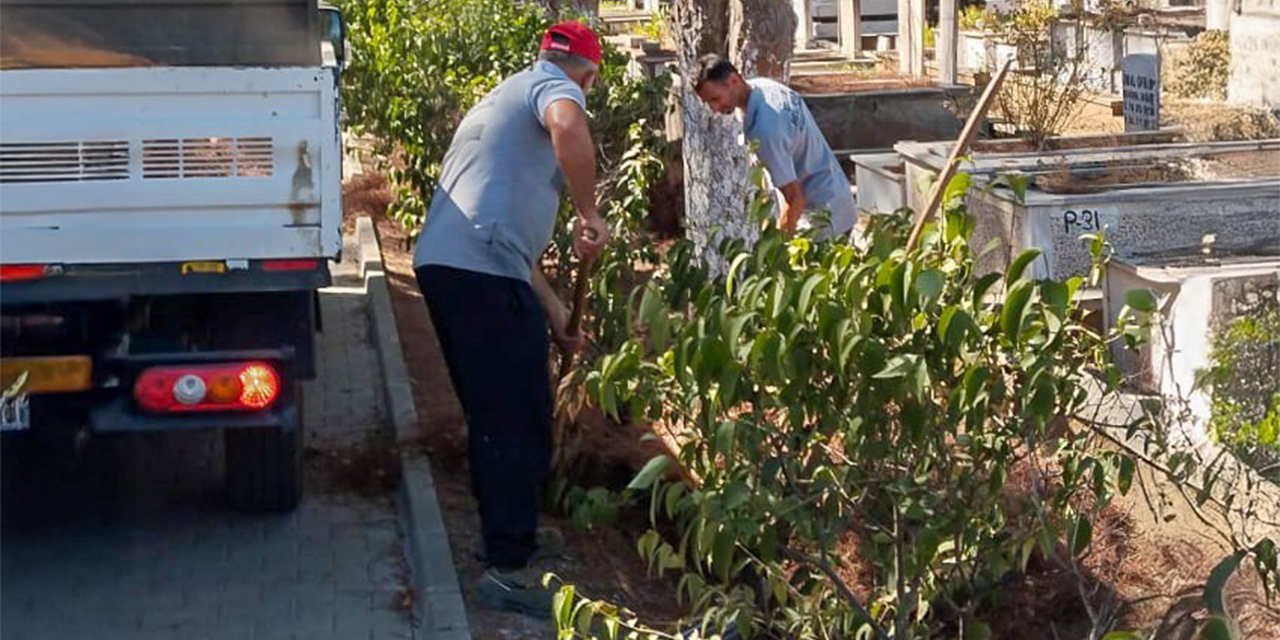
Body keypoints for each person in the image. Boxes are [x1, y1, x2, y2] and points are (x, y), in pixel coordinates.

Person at [412, 21, 609, 618]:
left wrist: (553, 312)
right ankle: (506, 570)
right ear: (590, 74)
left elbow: (506, 245)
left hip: (464, 265)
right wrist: (589, 211)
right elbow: (569, 126)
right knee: (514, 414)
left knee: (502, 409)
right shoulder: (556, 90)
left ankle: (511, 536)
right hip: (478, 273)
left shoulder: (506, 92)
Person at [693, 54, 857, 239]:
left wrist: (777, 251)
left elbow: (794, 199)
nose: (714, 109)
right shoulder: (765, 87)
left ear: (733, 80)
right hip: (838, 197)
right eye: (708, 103)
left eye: (716, 99)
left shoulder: (766, 131)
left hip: (823, 219)